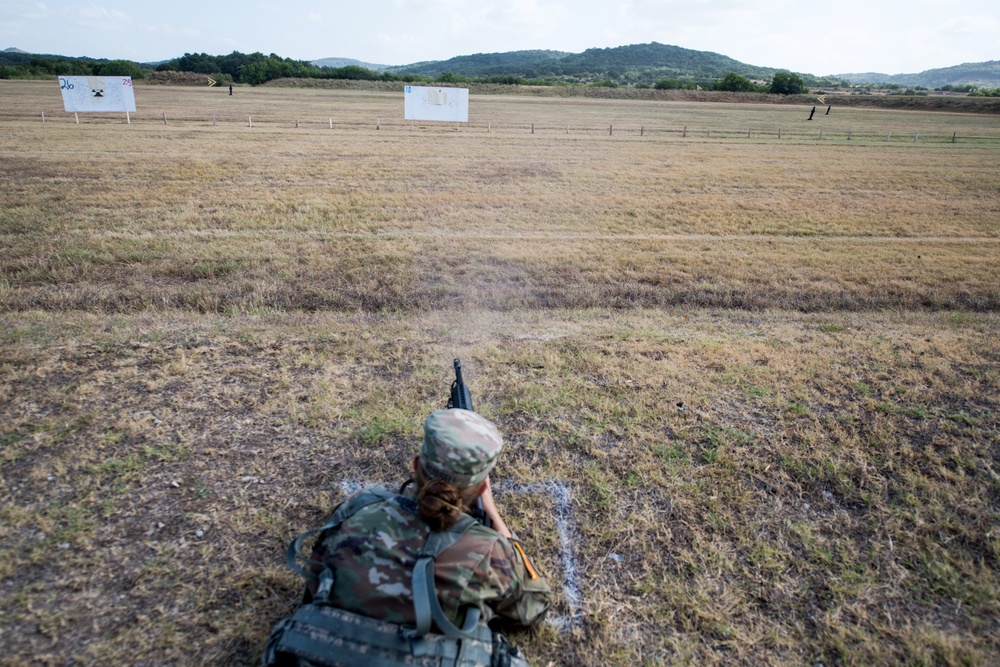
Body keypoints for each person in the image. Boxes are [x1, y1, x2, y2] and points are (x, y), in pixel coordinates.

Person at [305, 408, 552, 632]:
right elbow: (533, 607)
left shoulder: (359, 506)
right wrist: (495, 518)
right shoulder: (488, 552)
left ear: (415, 465)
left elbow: (318, 564)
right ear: (481, 490)